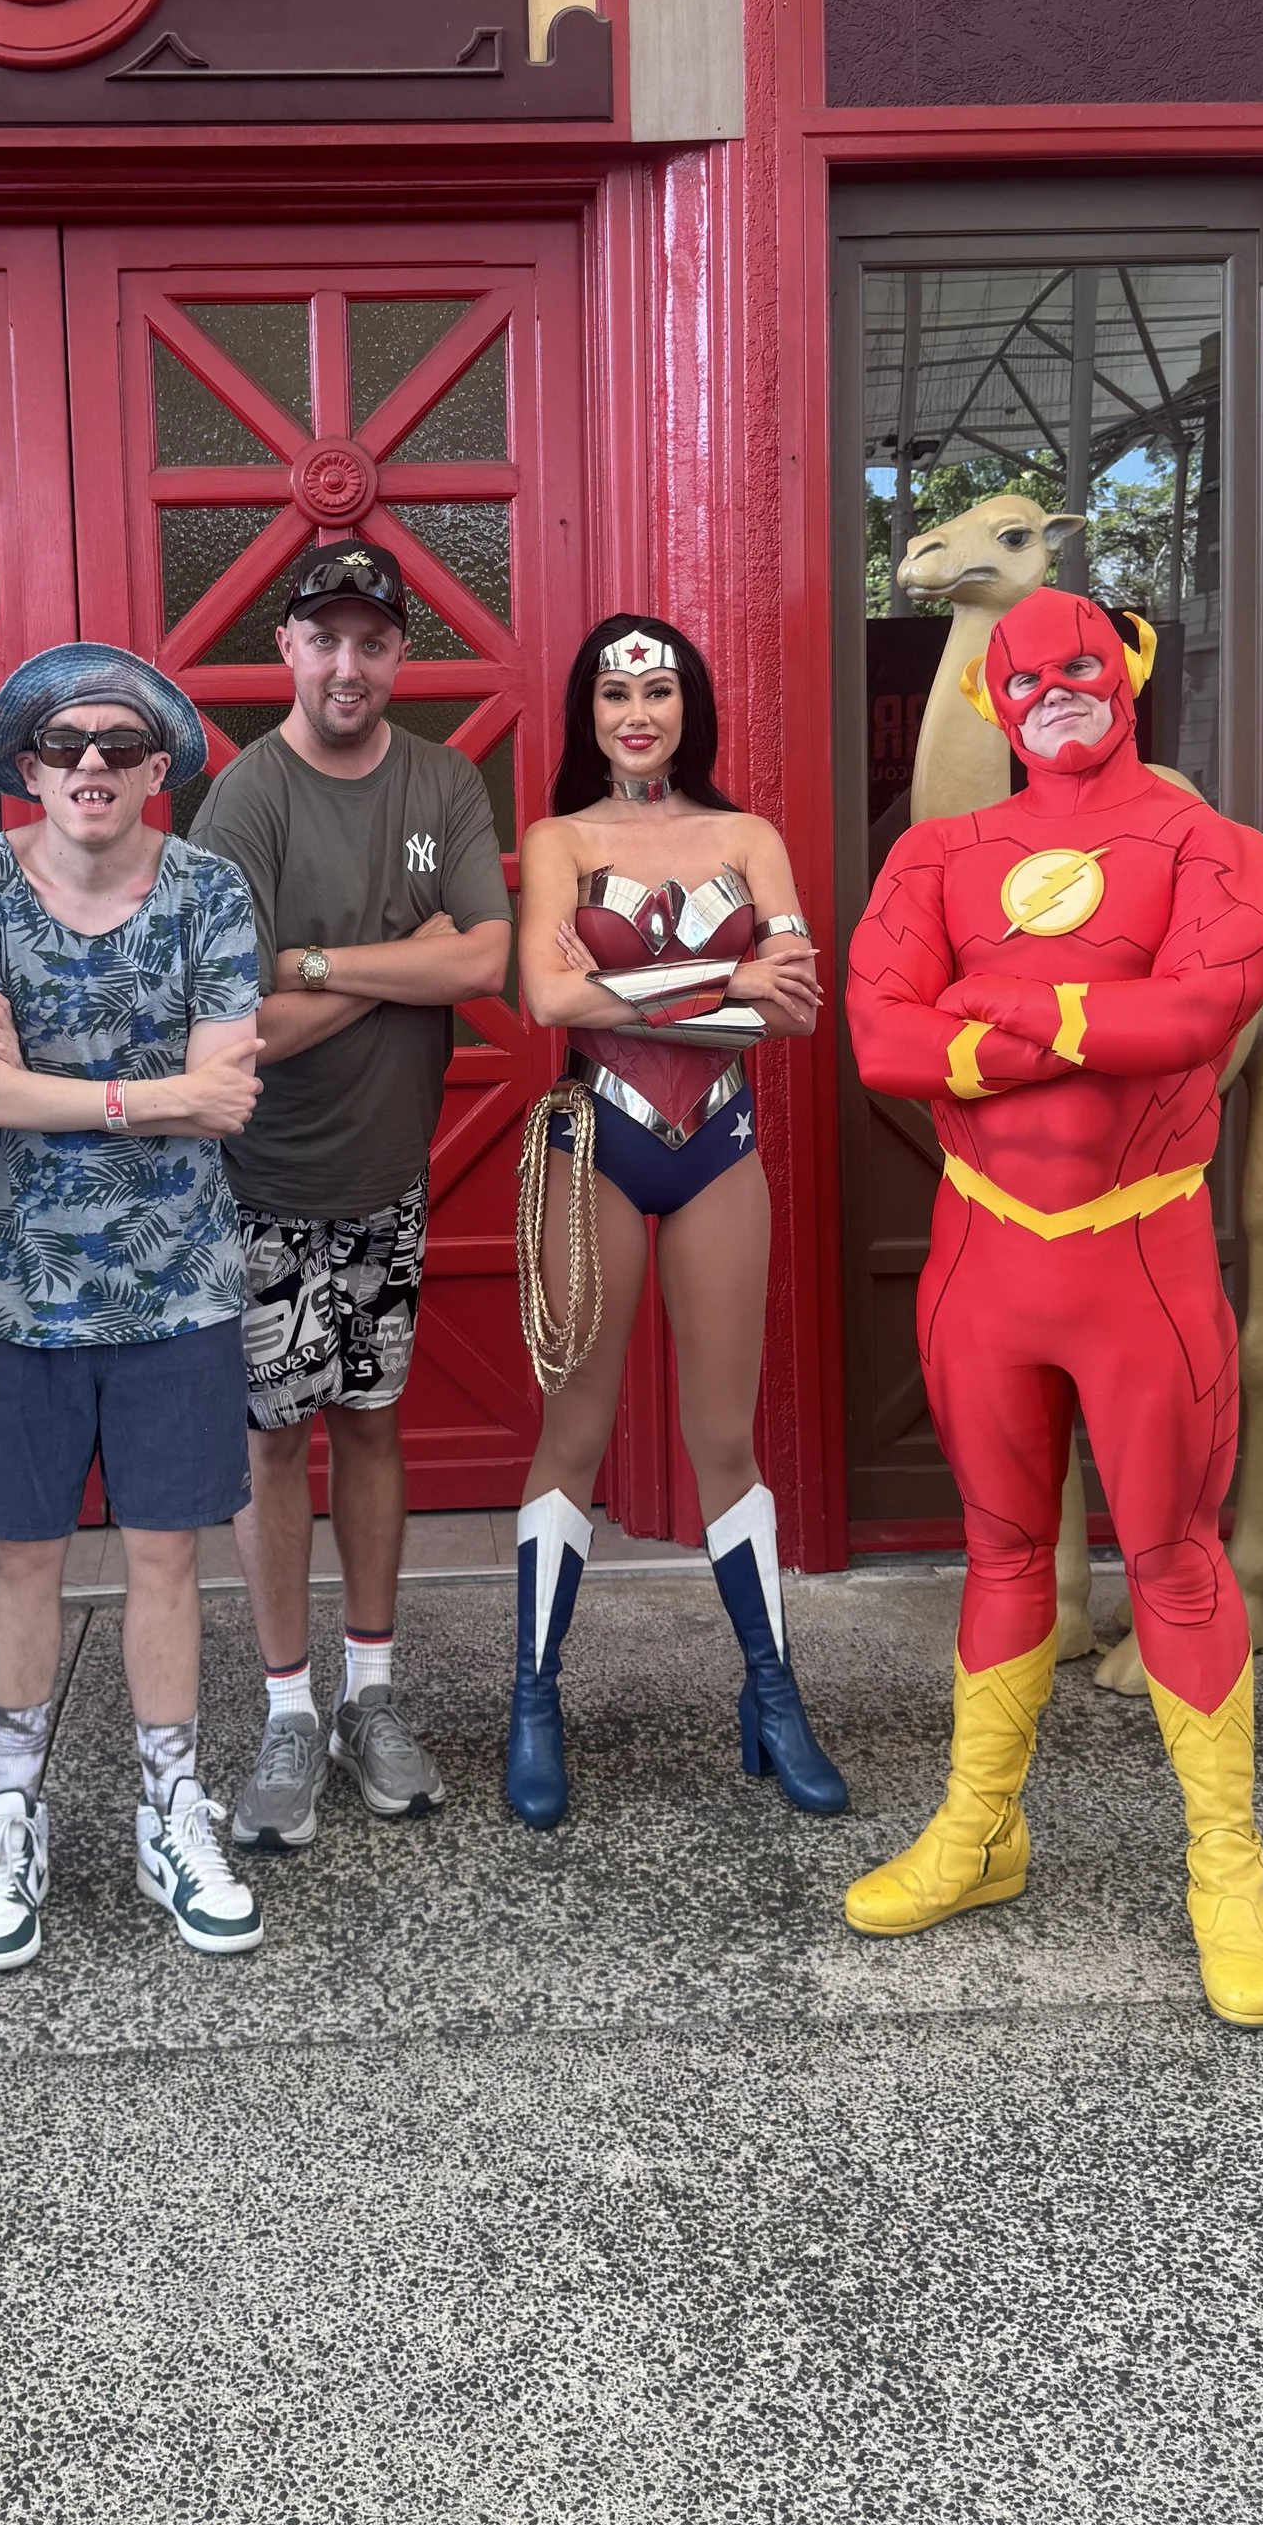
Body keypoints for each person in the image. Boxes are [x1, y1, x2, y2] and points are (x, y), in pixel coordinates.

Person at [844, 583, 1263, 2027]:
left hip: (1136, 1258)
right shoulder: (939, 850)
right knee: (999, 1550)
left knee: (1172, 1558)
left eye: (1085, 660)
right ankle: (982, 1831)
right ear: (993, 696)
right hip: (990, 1258)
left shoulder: (1212, 846)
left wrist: (1002, 1010)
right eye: (1028, 671)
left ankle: (1227, 1867)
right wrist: (1070, 1026)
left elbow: (1194, 1017)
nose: (1056, 683)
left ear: (1134, 671)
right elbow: (878, 1038)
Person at [0, 642, 267, 1970]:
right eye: (66, 745)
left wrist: (120, 1095)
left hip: (180, 1276)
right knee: (21, 1554)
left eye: (122, 747)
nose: (92, 766)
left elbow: (227, 1086)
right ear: (26, 763)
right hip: (17, 1285)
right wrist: (152, 1097)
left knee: (169, 1552)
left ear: (158, 769)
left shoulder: (211, 891)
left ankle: (170, 1803)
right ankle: (10, 1807)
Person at [190, 537, 511, 1852]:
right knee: (274, 1443)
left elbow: (486, 955)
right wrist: (397, 965)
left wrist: (326, 958)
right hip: (261, 1184)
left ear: (397, 658)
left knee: (372, 1426)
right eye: (323, 638)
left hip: (386, 1183)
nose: (347, 663)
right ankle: (283, 1712)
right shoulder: (245, 801)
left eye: (372, 641)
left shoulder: (440, 786)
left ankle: (370, 1699)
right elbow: (243, 1027)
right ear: (289, 651)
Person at [505, 615, 848, 1826]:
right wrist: (730, 983)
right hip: (594, 1143)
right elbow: (547, 996)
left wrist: (653, 996)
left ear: (689, 704)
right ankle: (533, 1702)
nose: (636, 712)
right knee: (574, 1434)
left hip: (716, 1150)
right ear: (586, 714)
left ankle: (772, 1696)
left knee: (722, 1438)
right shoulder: (558, 837)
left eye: (656, 689)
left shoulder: (747, 835)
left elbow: (799, 1012)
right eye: (612, 693)